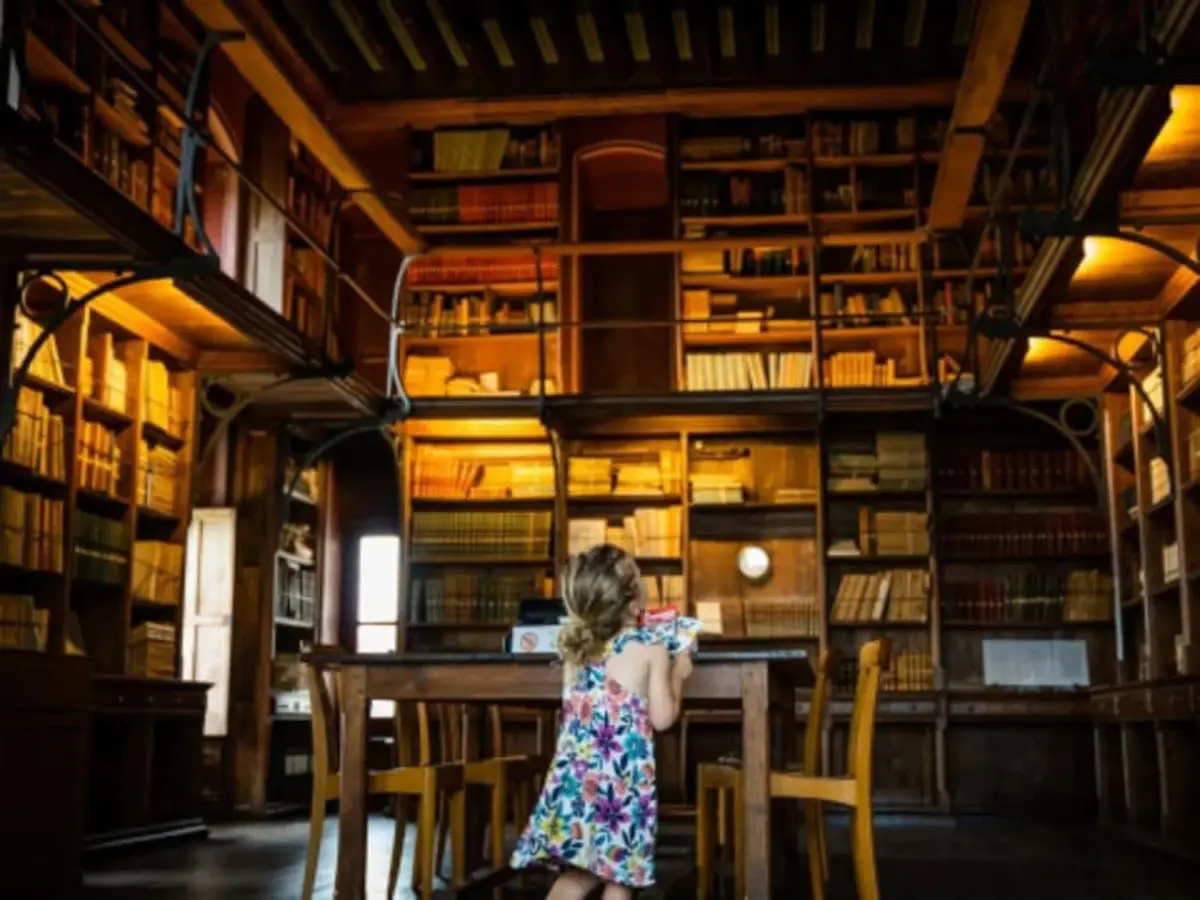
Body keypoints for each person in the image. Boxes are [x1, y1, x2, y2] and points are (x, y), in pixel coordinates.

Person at [510, 544, 695, 899]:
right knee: (619, 880)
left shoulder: (575, 651)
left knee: (577, 876)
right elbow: (664, 718)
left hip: (575, 782)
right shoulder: (651, 647)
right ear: (633, 602)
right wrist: (680, 671)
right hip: (622, 790)